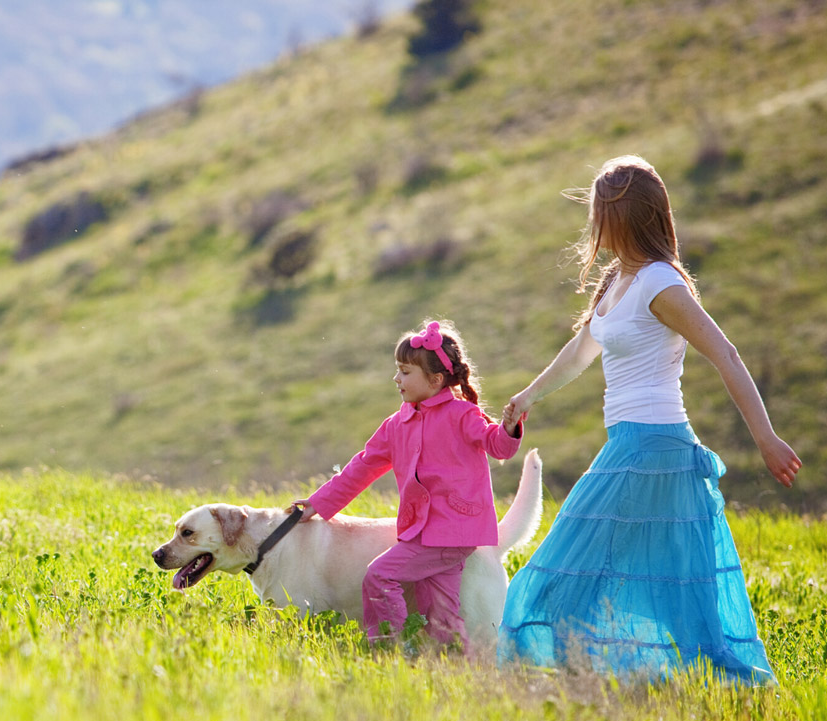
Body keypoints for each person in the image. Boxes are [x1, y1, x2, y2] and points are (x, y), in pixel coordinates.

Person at [497, 155, 801, 683]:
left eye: (600, 214)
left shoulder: (661, 283)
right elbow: (580, 351)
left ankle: (586, 678)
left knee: (568, 574)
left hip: (655, 446)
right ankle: (589, 680)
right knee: (639, 581)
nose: (593, 225)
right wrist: (528, 396)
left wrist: (766, 438)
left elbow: (724, 353)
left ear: (627, 218)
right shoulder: (620, 279)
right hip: (631, 446)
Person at [295, 319, 523, 651]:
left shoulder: (463, 415)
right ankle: (457, 667)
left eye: (404, 371)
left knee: (380, 575)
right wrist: (318, 503)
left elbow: (499, 446)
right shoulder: (396, 424)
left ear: (435, 379)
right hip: (422, 530)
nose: (396, 378)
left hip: (455, 530)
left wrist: (511, 426)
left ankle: (392, 649)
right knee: (441, 617)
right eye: (397, 370)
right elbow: (361, 468)